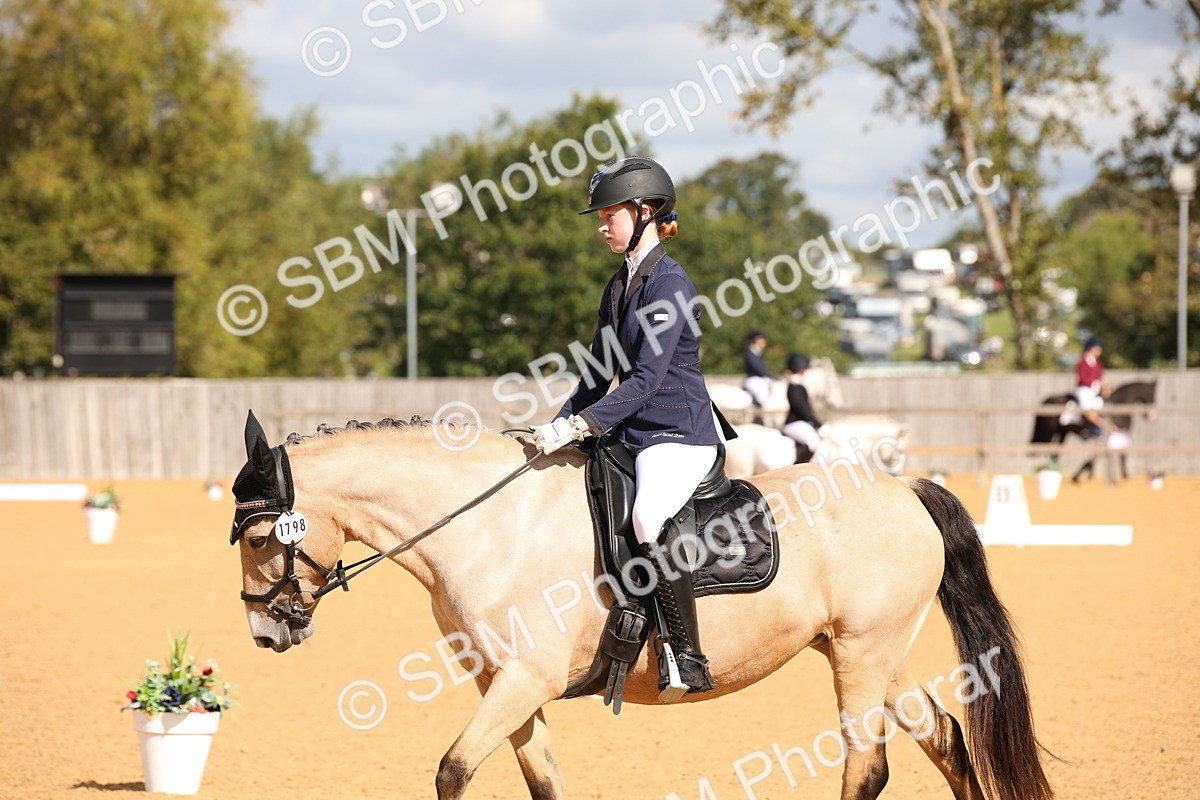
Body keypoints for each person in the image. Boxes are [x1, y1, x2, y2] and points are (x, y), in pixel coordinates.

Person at [530, 155, 731, 703]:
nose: (601, 225)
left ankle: (686, 655)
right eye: (600, 217)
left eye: (609, 215)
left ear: (645, 212)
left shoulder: (669, 284)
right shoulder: (619, 286)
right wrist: (554, 428)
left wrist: (584, 424)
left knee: (646, 516)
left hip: (679, 434)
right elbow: (598, 374)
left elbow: (645, 378)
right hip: (633, 432)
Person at [781, 353, 823, 464]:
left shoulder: (798, 386)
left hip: (801, 423)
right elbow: (802, 410)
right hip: (794, 423)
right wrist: (819, 424)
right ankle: (796, 468)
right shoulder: (794, 387)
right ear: (801, 370)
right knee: (813, 443)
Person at [743, 330, 773, 424]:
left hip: (759, 378)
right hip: (753, 379)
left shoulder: (757, 352)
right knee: (764, 397)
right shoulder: (750, 352)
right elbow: (757, 368)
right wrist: (768, 375)